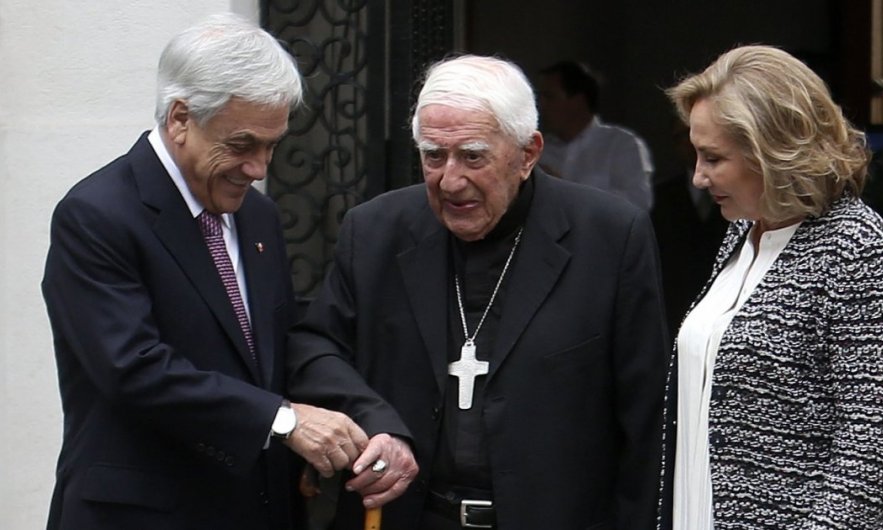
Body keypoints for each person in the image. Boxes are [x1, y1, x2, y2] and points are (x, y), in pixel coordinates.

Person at [41, 14, 412, 530]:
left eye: (272, 146)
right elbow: (134, 368)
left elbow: (284, 347)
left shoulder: (255, 214)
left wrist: (370, 424)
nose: (260, 168)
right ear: (179, 119)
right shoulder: (98, 214)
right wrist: (284, 421)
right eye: (242, 145)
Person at [286, 54, 669, 529]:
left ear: (528, 154)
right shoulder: (375, 231)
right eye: (433, 156)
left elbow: (647, 415)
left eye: (472, 156)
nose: (450, 180)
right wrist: (375, 419)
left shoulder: (610, 236)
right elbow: (314, 347)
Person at [659, 45, 883, 529]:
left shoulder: (857, 246)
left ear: (773, 150)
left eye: (714, 157)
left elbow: (873, 439)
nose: (697, 176)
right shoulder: (743, 231)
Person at [536, 60, 655, 210]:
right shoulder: (539, 151)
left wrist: (567, 189)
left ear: (578, 100)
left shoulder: (621, 145)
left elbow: (638, 203)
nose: (541, 105)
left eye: (549, 97)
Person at [650, 121, 727, 339]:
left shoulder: (740, 194)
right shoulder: (660, 197)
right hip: (677, 308)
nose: (691, 142)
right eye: (682, 136)